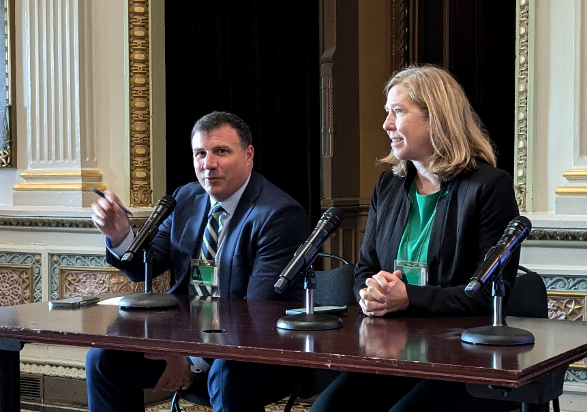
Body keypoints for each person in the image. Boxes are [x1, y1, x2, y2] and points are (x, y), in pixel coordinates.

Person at [310, 65, 521, 412]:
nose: (386, 124)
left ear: (435, 117)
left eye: (398, 111)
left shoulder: (488, 187)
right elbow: (366, 266)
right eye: (387, 112)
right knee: (327, 409)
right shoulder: (388, 185)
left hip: (463, 359)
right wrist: (370, 293)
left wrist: (409, 297)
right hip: (392, 350)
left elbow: (486, 295)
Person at [86, 111, 325, 412]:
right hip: (186, 341)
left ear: (248, 155)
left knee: (228, 371)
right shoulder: (185, 197)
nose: (208, 164)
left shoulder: (278, 214)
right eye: (200, 153)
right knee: (103, 359)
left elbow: (258, 312)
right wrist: (120, 234)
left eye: (221, 152)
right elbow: (143, 265)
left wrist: (192, 360)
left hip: (256, 354)